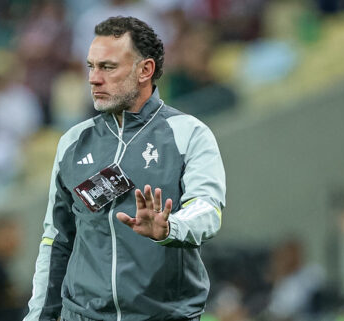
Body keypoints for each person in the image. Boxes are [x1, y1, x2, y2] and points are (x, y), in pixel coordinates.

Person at [24, 16, 226, 321]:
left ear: (145, 70)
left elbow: (208, 209)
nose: (93, 78)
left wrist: (169, 228)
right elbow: (56, 240)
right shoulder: (73, 142)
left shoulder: (189, 133)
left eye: (108, 67)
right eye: (91, 66)